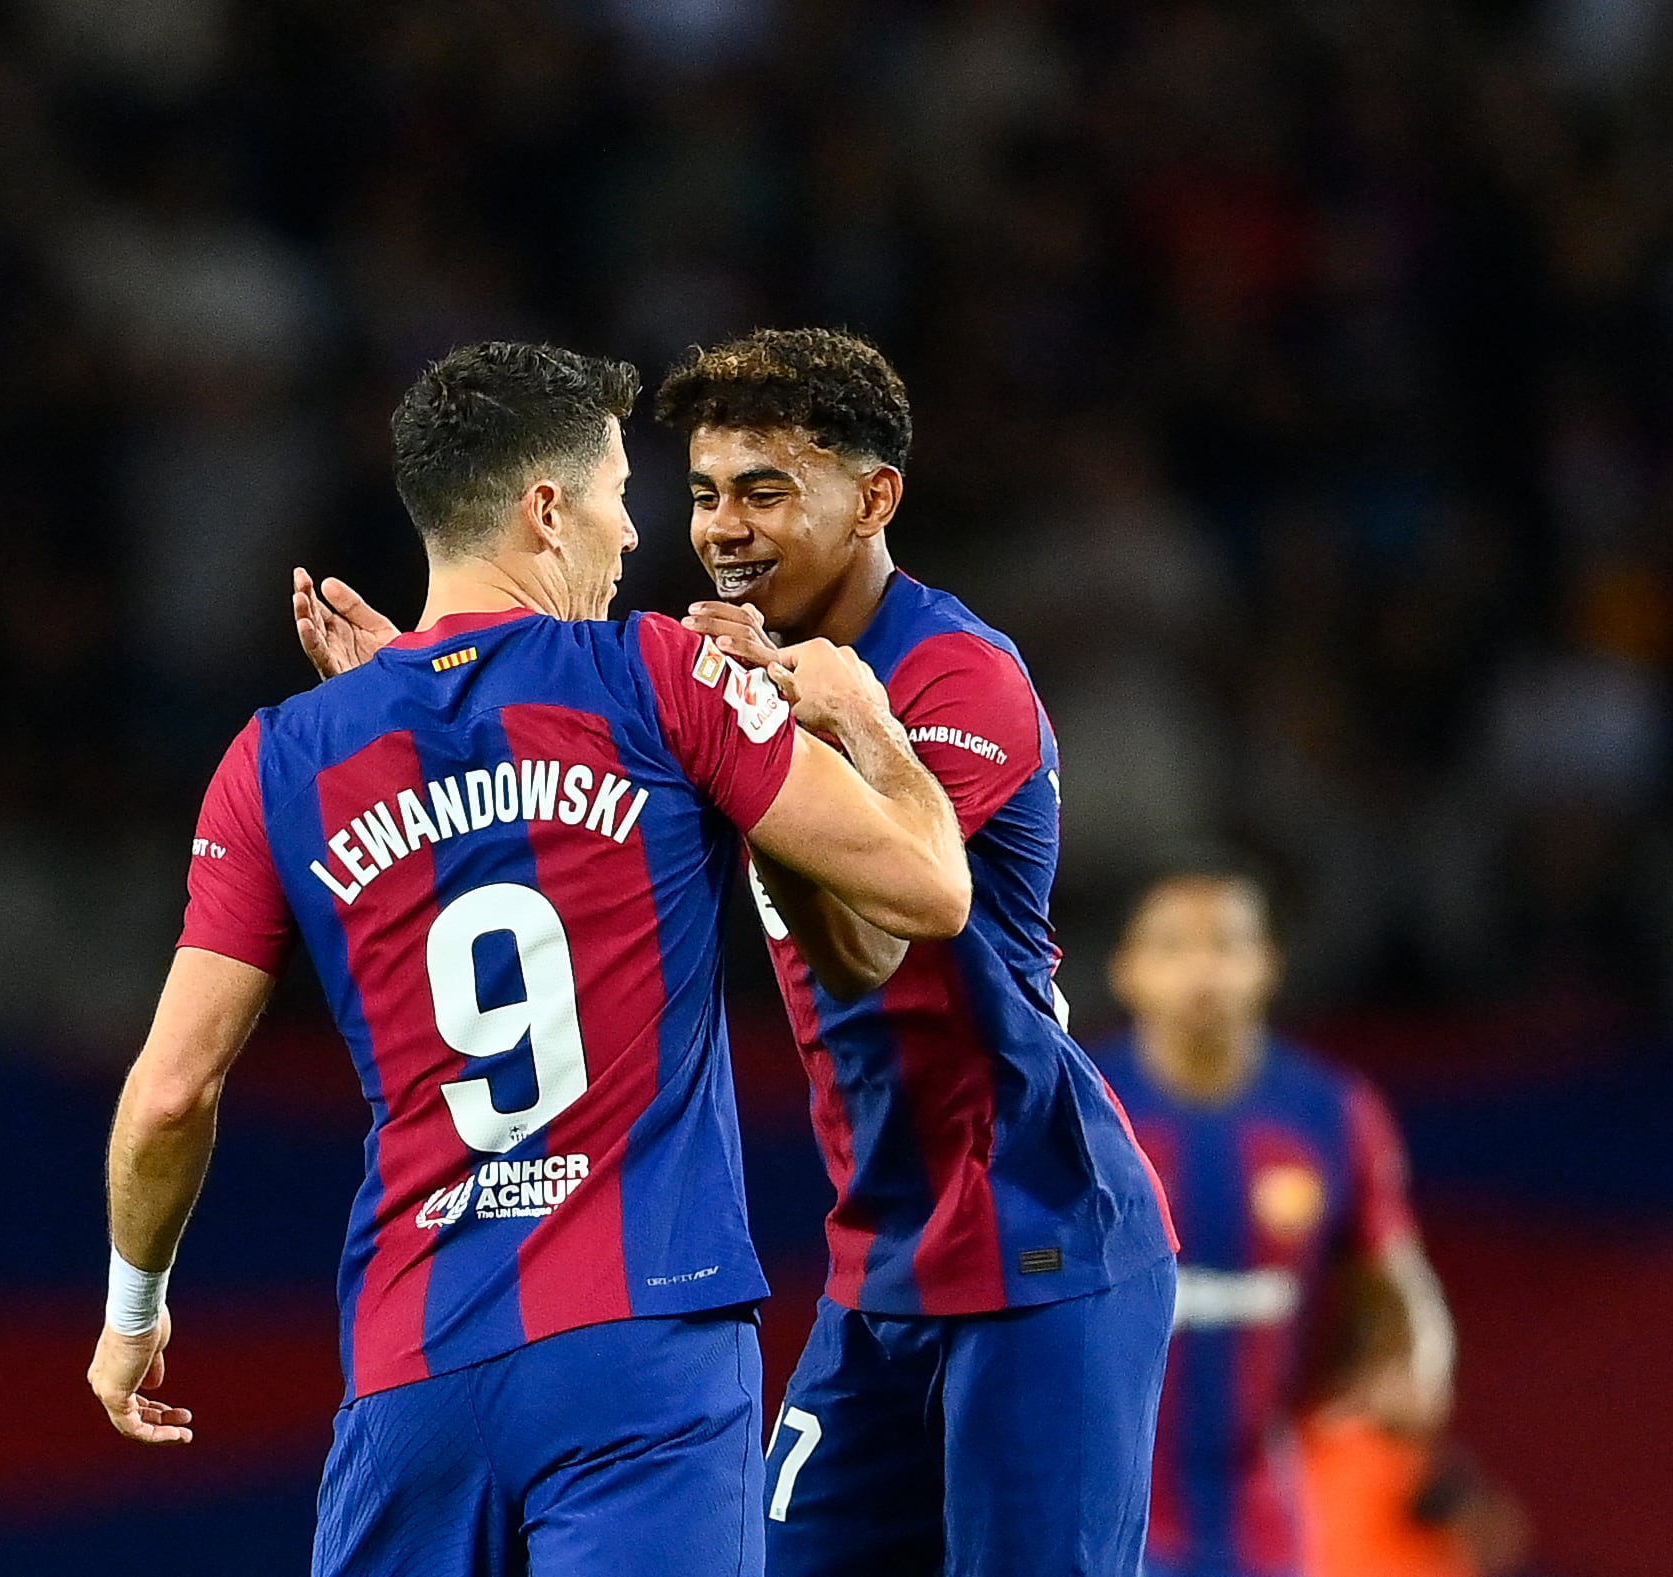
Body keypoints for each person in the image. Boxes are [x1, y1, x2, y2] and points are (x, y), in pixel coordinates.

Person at [299, 327, 1179, 1577]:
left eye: (765, 491)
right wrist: (406, 695)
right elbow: (543, 800)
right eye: (706, 493)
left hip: (1041, 1243)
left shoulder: (951, 680)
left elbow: (874, 944)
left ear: (873, 498)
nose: (721, 527)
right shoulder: (720, 671)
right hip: (879, 1261)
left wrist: (835, 731)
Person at [86, 340, 974, 1577]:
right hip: (642, 1348)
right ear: (545, 507)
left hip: (413, 1369)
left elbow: (170, 1091)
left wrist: (133, 1308)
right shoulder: (662, 674)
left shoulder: (281, 758)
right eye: (618, 494)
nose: (632, 535)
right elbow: (929, 891)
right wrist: (868, 721)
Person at [1093, 860, 1458, 1577]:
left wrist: (1418, 1359)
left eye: (1226, 945)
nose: (1203, 971)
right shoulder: (1079, 1112)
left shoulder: (1330, 1114)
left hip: (1263, 1526)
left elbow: (1397, 1275)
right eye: (1172, 947)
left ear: (1268, 966)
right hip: (1105, 1520)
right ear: (1126, 971)